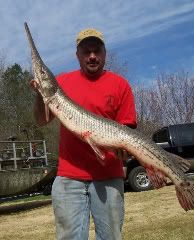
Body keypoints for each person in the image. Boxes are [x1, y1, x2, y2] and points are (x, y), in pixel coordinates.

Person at [31, 28, 137, 240]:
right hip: (69, 176)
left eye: (97, 51)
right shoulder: (61, 82)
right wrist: (39, 95)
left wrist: (125, 153)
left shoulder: (120, 84)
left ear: (104, 53)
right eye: (86, 51)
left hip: (108, 175)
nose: (92, 56)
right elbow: (41, 121)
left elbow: (128, 130)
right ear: (77, 55)